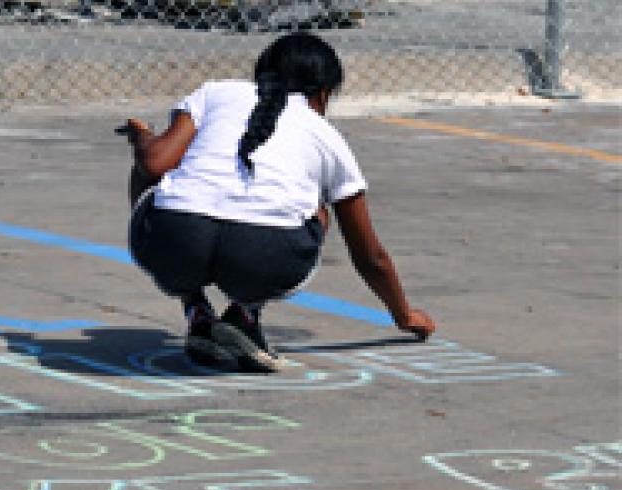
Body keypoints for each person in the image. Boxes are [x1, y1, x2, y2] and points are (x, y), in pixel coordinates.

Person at [119, 32, 435, 372]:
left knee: (151, 177)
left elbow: (154, 163)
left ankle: (196, 310)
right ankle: (244, 314)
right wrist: (404, 314)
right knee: (315, 210)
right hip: (262, 257)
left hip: (173, 244)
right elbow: (370, 256)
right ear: (324, 93)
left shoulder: (217, 92)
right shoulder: (327, 135)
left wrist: (143, 137)